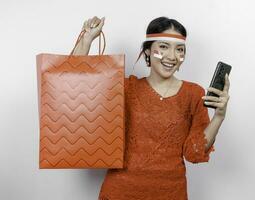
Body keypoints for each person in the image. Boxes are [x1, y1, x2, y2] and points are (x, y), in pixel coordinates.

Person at [73, 16, 230, 200]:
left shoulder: (193, 93)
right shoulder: (125, 88)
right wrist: (87, 39)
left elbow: (194, 153)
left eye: (179, 49)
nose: (172, 56)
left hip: (171, 193)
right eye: (163, 47)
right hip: (120, 192)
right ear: (147, 51)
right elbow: (76, 83)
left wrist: (219, 117)